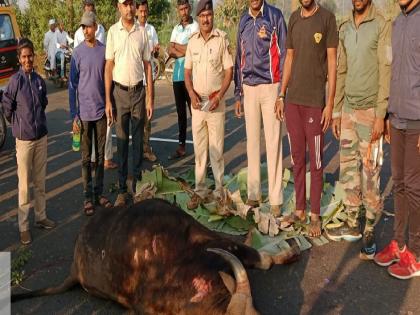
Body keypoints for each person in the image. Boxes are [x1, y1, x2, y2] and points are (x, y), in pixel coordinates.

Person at [327, 0, 391, 260]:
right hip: (349, 111)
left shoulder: (381, 25)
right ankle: (353, 222)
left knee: (371, 173)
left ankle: (370, 230)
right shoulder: (344, 28)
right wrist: (337, 111)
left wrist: (381, 115)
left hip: (370, 113)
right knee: (349, 170)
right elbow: (340, 71)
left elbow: (386, 72)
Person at [278, 0, 338, 237]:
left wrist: (330, 103)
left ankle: (314, 215)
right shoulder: (293, 18)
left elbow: (332, 63)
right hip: (293, 102)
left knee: (317, 161)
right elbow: (289, 58)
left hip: (315, 103)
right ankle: (300, 209)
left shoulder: (327, 19)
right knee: (297, 160)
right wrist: (281, 94)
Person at [374, 0, 420, 279]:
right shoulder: (398, 23)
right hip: (398, 117)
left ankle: (415, 254)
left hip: (417, 121)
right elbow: (393, 72)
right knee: (399, 183)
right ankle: (399, 244)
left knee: (415, 187)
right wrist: (389, 115)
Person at [234, 0, 287, 216]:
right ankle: (254, 194)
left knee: (273, 142)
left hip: (271, 86)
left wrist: (282, 93)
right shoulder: (243, 21)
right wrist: (238, 92)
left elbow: (284, 55)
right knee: (252, 142)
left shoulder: (275, 16)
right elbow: (239, 58)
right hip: (249, 88)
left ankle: (275, 198)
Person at [2, 38, 56, 245]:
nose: (27, 59)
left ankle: (40, 217)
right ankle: (24, 226)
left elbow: (43, 103)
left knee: (40, 182)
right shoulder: (15, 81)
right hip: (24, 141)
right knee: (24, 186)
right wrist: (17, 123)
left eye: (30, 55)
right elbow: (7, 105)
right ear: (19, 58)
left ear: (34, 56)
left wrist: (37, 122)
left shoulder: (39, 80)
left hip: (41, 137)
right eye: (23, 56)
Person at [184, 0, 233, 209]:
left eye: (209, 14)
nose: (206, 19)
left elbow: (229, 71)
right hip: (198, 104)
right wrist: (191, 93)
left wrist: (219, 96)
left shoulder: (221, 39)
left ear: (213, 15)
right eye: (202, 16)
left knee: (217, 151)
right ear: (197, 17)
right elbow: (187, 72)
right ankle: (200, 190)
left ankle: (220, 191)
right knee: (200, 151)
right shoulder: (192, 41)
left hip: (215, 103)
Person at [105, 0, 153, 207]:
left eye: (131, 4)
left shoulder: (142, 32)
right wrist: (108, 99)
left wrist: (150, 97)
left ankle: (138, 187)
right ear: (119, 7)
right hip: (120, 93)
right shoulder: (113, 32)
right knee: (122, 143)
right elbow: (109, 66)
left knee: (138, 143)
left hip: (139, 93)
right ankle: (122, 191)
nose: (129, 8)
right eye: (125, 4)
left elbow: (148, 66)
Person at [69, 11, 112, 216]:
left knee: (102, 155)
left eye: (89, 26)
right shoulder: (77, 53)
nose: (86, 30)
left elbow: (109, 82)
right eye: (83, 27)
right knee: (86, 158)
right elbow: (72, 86)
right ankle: (87, 197)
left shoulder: (104, 51)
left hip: (102, 112)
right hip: (84, 114)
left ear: (96, 27)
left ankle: (98, 194)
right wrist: (74, 115)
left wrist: (109, 104)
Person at [74, 0, 117, 170]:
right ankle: (92, 161)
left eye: (91, 11)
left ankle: (105, 159)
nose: (86, 29)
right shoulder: (79, 36)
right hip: (86, 97)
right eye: (86, 11)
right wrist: (74, 110)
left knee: (106, 131)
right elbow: (74, 78)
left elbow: (106, 62)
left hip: (101, 92)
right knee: (88, 141)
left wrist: (110, 98)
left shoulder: (103, 35)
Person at [168, 0, 199, 160]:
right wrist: (184, 50)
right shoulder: (176, 28)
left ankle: (200, 147)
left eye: (186, 8)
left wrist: (178, 48)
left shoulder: (196, 27)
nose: (184, 11)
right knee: (181, 114)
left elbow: (192, 49)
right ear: (178, 10)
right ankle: (181, 147)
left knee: (195, 112)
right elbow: (169, 48)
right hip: (177, 77)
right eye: (181, 9)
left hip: (192, 77)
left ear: (190, 8)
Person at [137, 0, 159, 162]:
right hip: (136, 80)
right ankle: (137, 149)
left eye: (146, 11)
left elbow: (156, 56)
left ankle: (146, 148)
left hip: (149, 79)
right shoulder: (134, 30)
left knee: (148, 117)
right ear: (137, 11)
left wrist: (156, 51)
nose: (144, 14)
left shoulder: (151, 29)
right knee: (136, 118)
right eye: (141, 11)